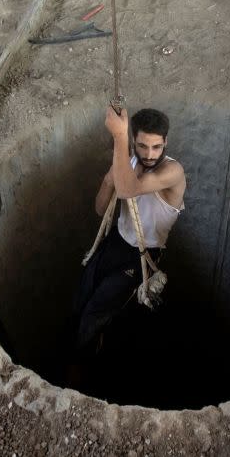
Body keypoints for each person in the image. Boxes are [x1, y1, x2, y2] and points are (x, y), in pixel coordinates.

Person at [71, 106, 186, 360]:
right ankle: (77, 344)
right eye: (143, 146)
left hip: (143, 255)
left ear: (166, 141)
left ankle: (80, 365)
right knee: (82, 296)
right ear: (135, 140)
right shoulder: (128, 164)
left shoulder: (172, 172)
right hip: (117, 241)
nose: (149, 154)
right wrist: (108, 180)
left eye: (157, 146)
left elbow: (128, 190)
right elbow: (101, 209)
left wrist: (119, 137)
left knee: (96, 311)